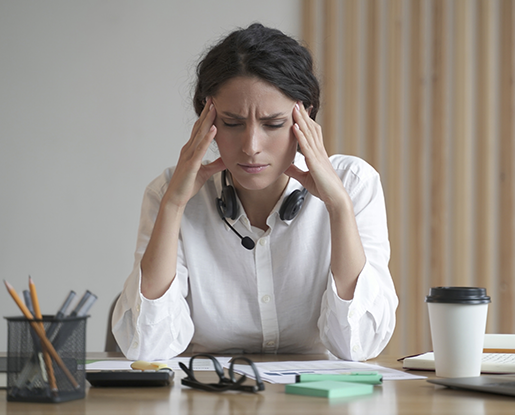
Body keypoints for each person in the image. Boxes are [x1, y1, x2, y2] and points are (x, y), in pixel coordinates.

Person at [112, 23, 398, 361]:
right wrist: (174, 205)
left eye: (273, 124)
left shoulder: (353, 184)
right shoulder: (170, 192)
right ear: (207, 121)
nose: (251, 147)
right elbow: (145, 348)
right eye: (232, 123)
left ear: (304, 118)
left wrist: (339, 208)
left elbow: (360, 345)